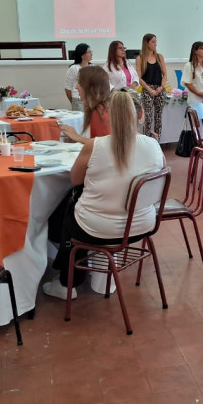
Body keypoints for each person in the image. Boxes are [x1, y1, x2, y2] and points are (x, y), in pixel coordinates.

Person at [43, 89, 165, 300]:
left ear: (109, 116)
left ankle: (67, 282)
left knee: (71, 205)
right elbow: (161, 176)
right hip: (142, 225)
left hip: (97, 228)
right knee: (78, 206)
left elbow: (75, 180)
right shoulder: (154, 145)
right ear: (142, 114)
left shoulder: (95, 146)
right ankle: (74, 273)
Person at [59, 65, 111, 144]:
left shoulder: (99, 112)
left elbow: (102, 146)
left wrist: (78, 137)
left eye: (79, 83)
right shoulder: (99, 108)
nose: (76, 87)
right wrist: (77, 140)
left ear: (89, 87)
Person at [136, 33, 168, 139]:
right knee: (148, 117)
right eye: (153, 42)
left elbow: (165, 74)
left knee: (158, 117)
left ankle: (157, 141)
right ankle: (147, 140)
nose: (155, 44)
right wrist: (150, 90)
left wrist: (161, 87)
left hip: (159, 89)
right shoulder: (140, 59)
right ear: (146, 43)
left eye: (156, 42)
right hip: (147, 89)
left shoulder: (159, 57)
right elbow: (139, 78)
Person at [182, 41, 203, 107]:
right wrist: (198, 93)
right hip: (195, 97)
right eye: (202, 49)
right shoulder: (189, 65)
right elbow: (187, 83)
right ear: (195, 51)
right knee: (197, 116)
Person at [65, 43, 92, 111]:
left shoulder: (93, 67)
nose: (91, 54)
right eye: (89, 52)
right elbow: (68, 88)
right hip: (78, 100)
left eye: (91, 52)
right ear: (82, 55)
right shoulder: (74, 68)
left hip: (91, 100)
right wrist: (73, 101)